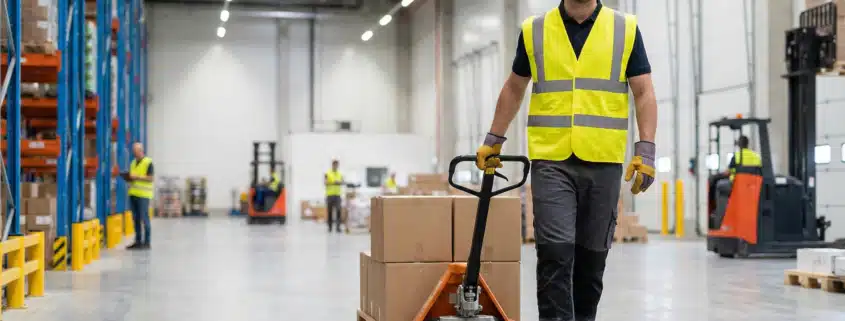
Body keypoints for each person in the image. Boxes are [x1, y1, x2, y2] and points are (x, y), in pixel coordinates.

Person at [475, 1, 658, 320]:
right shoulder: (535, 30)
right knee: (554, 253)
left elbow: (643, 91)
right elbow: (515, 87)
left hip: (604, 160)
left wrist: (646, 150)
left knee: (591, 264)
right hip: (552, 159)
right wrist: (494, 139)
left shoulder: (624, 29)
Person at [127, 142, 154, 250]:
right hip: (133, 194)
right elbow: (132, 177)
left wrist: (137, 177)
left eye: (136, 151)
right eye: (133, 151)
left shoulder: (148, 162)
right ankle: (138, 241)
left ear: (141, 150)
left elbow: (150, 178)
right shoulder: (133, 162)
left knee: (144, 218)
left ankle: (147, 242)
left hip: (144, 195)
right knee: (135, 219)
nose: (134, 153)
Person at [324, 160, 344, 232]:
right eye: (334, 165)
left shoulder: (340, 174)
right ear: (332, 165)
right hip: (330, 195)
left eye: (337, 165)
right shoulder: (327, 173)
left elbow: (342, 182)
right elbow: (325, 182)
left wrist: (340, 182)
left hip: (337, 195)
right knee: (330, 211)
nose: (336, 166)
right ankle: (330, 227)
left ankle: (338, 227)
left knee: (338, 210)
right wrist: (333, 182)